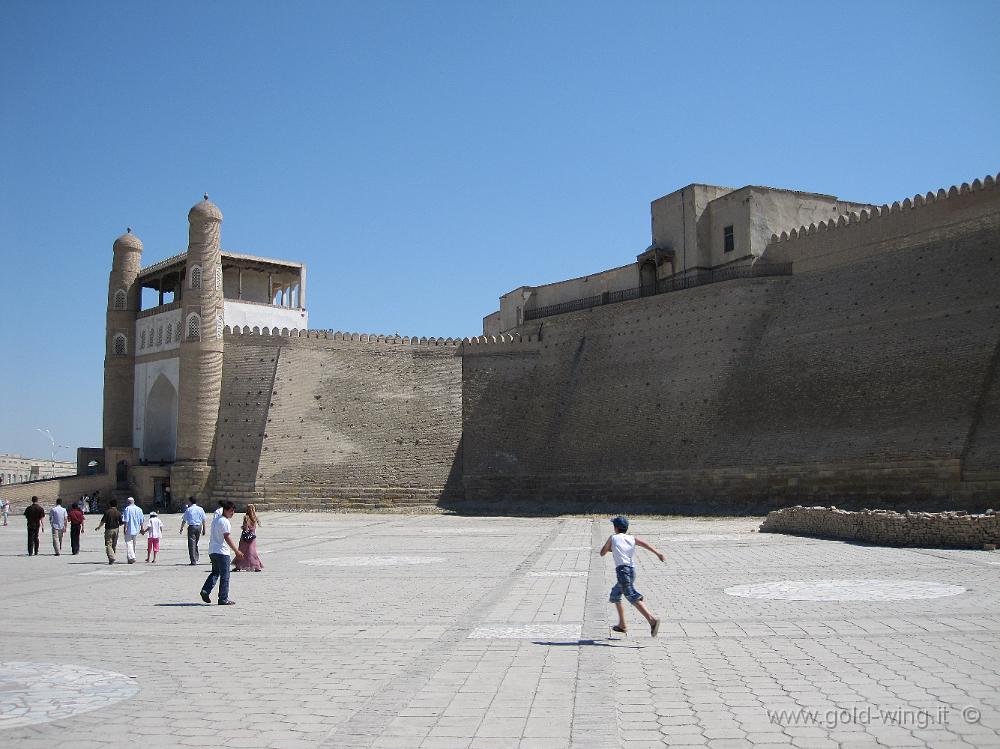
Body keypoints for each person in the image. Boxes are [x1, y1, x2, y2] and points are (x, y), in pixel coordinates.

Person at [599, 516, 665, 637]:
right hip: (631, 570)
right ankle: (622, 625)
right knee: (615, 595)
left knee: (631, 595)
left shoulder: (613, 537)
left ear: (616, 528)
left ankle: (652, 620)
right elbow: (644, 544)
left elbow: (602, 552)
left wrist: (609, 548)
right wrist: (658, 553)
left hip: (623, 571)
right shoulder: (631, 538)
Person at [200, 500, 243, 605]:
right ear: (226, 510)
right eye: (231, 511)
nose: (233, 513)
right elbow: (227, 537)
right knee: (225, 575)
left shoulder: (216, 520)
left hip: (212, 551)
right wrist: (236, 551)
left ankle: (205, 590)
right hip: (222, 552)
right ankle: (223, 598)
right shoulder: (224, 521)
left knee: (215, 572)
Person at [234, 504, 263, 572]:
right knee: (252, 552)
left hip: (245, 537)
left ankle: (239, 566)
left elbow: (245, 527)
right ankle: (256, 566)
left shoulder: (246, 517)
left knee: (242, 551)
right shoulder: (255, 518)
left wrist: (243, 527)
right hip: (252, 537)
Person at [179, 497, 207, 565]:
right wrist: (204, 529)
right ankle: (196, 556)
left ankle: (193, 560)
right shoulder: (200, 509)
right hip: (199, 527)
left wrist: (181, 528)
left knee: (191, 544)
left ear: (190, 502)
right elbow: (203, 519)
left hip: (192, 527)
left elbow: (184, 520)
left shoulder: (189, 509)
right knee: (195, 542)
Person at [95, 499, 122, 564]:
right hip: (116, 529)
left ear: (110, 505)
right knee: (114, 544)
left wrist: (99, 527)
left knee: (108, 544)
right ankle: (113, 555)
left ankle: (111, 557)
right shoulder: (118, 512)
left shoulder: (107, 512)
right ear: (116, 505)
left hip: (109, 529)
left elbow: (103, 521)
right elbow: (121, 523)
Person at [120, 497, 144, 565]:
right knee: (133, 544)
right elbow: (141, 520)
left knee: (129, 543)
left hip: (129, 529)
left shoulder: (127, 509)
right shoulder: (139, 509)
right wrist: (142, 528)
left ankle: (132, 557)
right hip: (136, 529)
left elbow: (126, 520)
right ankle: (130, 558)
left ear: (128, 502)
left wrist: (125, 528)